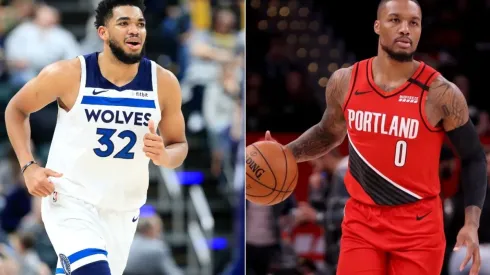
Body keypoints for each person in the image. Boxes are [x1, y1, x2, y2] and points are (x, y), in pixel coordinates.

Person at [265, 0, 487, 274]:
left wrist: (471, 223)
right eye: (395, 20)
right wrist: (287, 153)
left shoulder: (441, 93)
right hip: (362, 221)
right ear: (377, 26)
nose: (405, 29)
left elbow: (474, 157)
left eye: (413, 23)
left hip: (418, 227)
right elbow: (329, 132)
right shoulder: (345, 81)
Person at [4, 0, 188, 274]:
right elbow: (16, 109)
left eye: (140, 24)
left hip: (123, 210)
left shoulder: (163, 82)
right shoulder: (69, 74)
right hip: (70, 201)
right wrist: (28, 166)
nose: (134, 30)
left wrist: (164, 155)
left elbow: (179, 146)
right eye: (124, 23)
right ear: (103, 33)